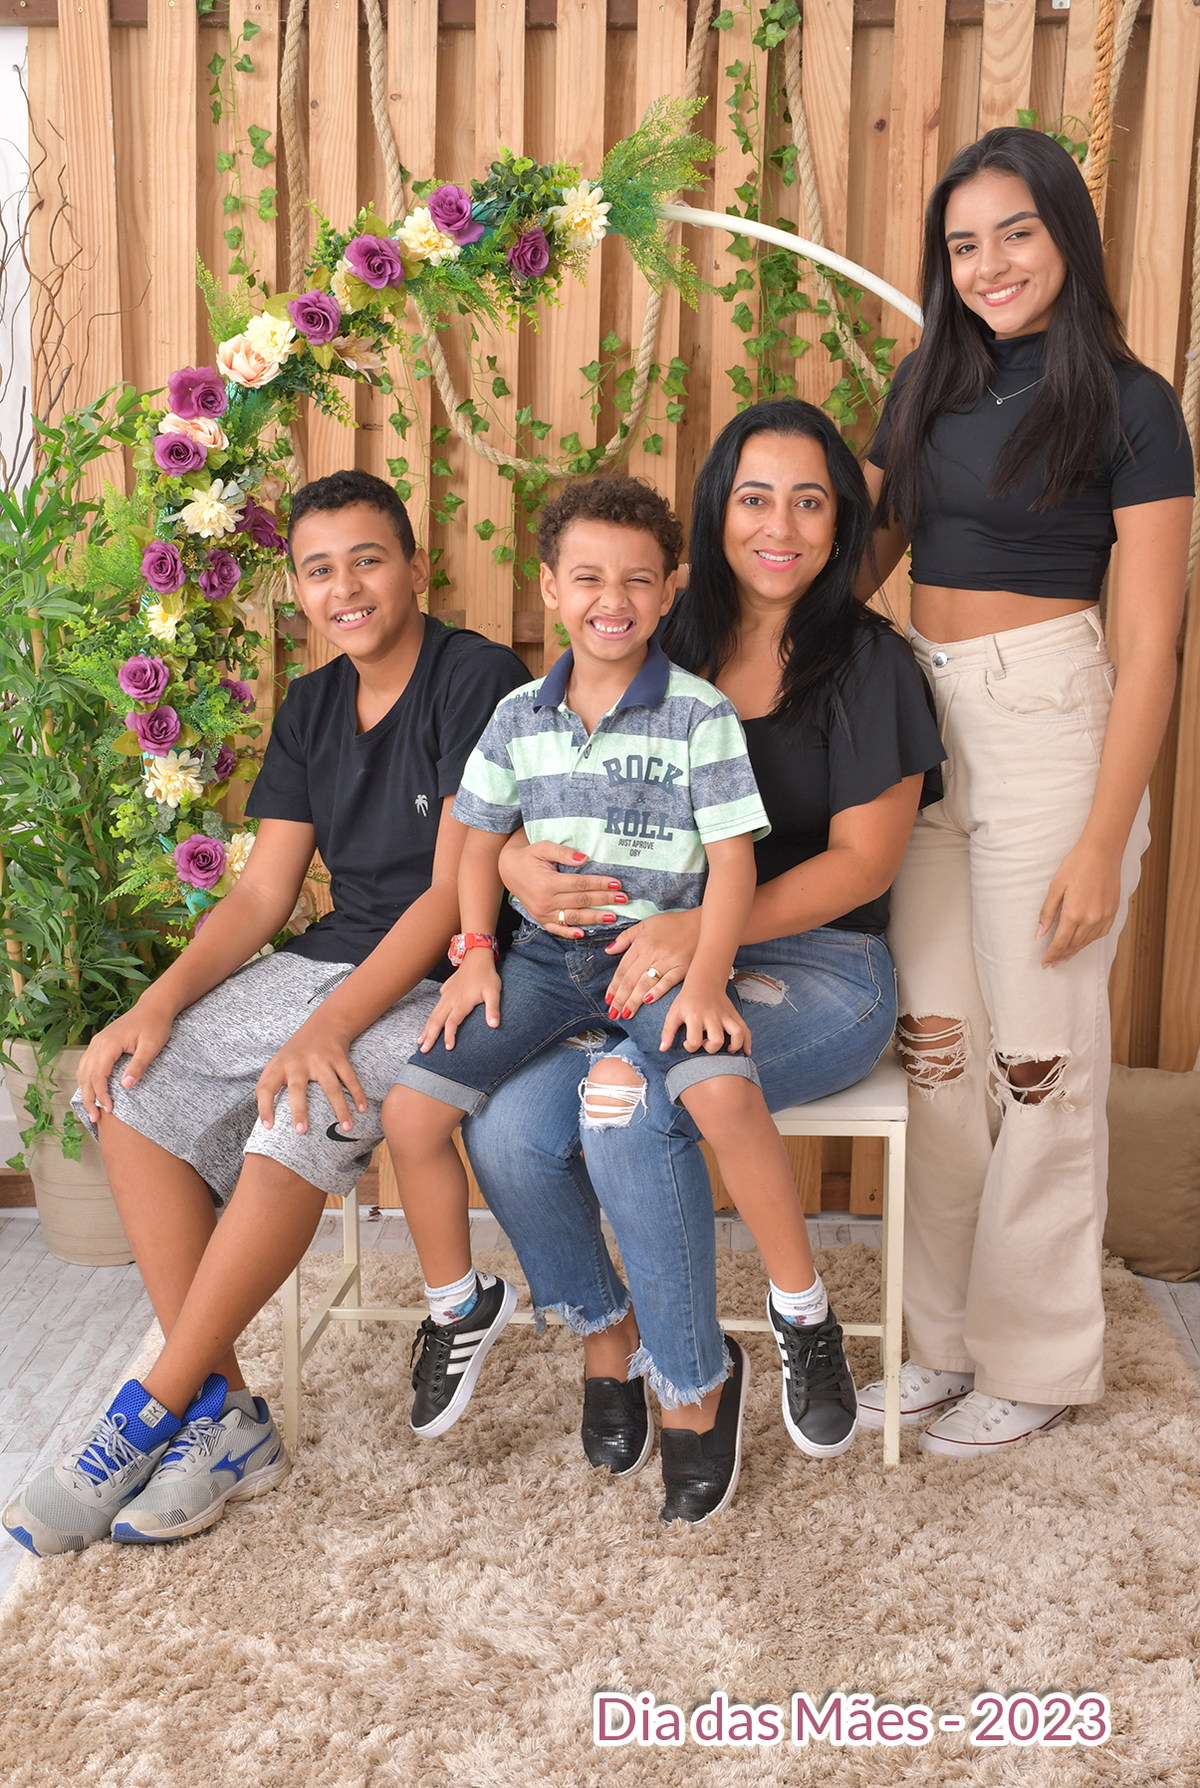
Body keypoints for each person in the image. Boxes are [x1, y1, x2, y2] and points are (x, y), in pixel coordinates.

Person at [2, 470, 528, 1557]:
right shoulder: (311, 705)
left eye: (368, 560)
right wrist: (152, 1006)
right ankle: (227, 1419)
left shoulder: (476, 676)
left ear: (416, 567)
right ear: (295, 589)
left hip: (455, 973)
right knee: (133, 1089)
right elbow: (260, 896)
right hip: (331, 959)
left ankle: (146, 1408)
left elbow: (450, 892)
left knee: (295, 1104)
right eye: (319, 570)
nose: (347, 588)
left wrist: (327, 1027)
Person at [460, 403, 946, 1521]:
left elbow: (864, 865)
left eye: (811, 502)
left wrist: (701, 936)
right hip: (635, 962)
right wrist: (520, 866)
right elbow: (540, 783)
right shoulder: (658, 636)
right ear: (716, 516)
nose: (782, 526)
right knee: (507, 1131)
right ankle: (611, 1338)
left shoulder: (872, 663)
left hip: (819, 970)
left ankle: (706, 1383)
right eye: (755, 498)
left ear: (843, 523)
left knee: (630, 1108)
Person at [384, 475, 866, 1508]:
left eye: (638, 580)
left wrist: (708, 974)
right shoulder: (519, 715)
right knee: (414, 1112)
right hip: (538, 966)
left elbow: (732, 863)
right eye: (589, 579)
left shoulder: (698, 714)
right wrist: (476, 954)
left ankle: (803, 1315)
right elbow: (473, 840)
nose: (613, 600)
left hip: (652, 963)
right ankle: (464, 1304)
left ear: (670, 587)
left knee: (719, 1089)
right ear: (549, 588)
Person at [857, 127, 1194, 1456]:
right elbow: (853, 564)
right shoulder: (926, 383)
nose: (989, 264)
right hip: (922, 715)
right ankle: (941, 1343)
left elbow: (1153, 643)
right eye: (963, 244)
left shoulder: (1132, 404)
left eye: (1016, 233)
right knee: (937, 1050)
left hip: (1053, 725)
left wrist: (1105, 838)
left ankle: (1037, 1357)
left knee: (1039, 1060)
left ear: (1068, 236)